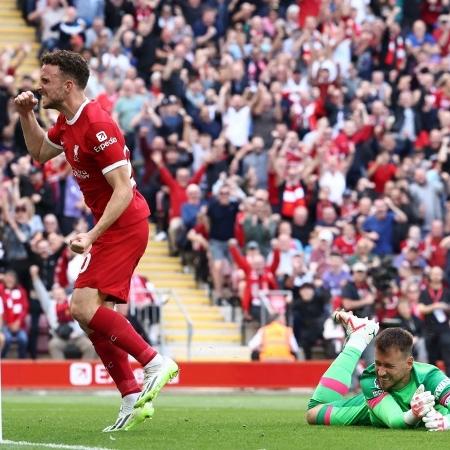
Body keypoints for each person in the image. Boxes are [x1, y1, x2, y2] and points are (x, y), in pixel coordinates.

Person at [14, 50, 178, 432]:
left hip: (123, 224)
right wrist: (26, 115)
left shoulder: (97, 124)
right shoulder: (67, 122)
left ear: (68, 85)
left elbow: (122, 190)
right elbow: (39, 152)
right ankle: (131, 396)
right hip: (113, 225)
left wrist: (91, 234)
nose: (41, 86)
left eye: (47, 80)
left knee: (82, 306)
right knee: (92, 320)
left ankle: (154, 362)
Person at [306, 312, 450, 431]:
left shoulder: (431, 377)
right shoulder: (370, 377)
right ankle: (358, 340)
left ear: (409, 363)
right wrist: (414, 413)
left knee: (442, 410)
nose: (380, 372)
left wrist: (445, 422)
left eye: (389, 366)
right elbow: (395, 420)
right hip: (365, 411)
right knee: (313, 413)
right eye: (378, 364)